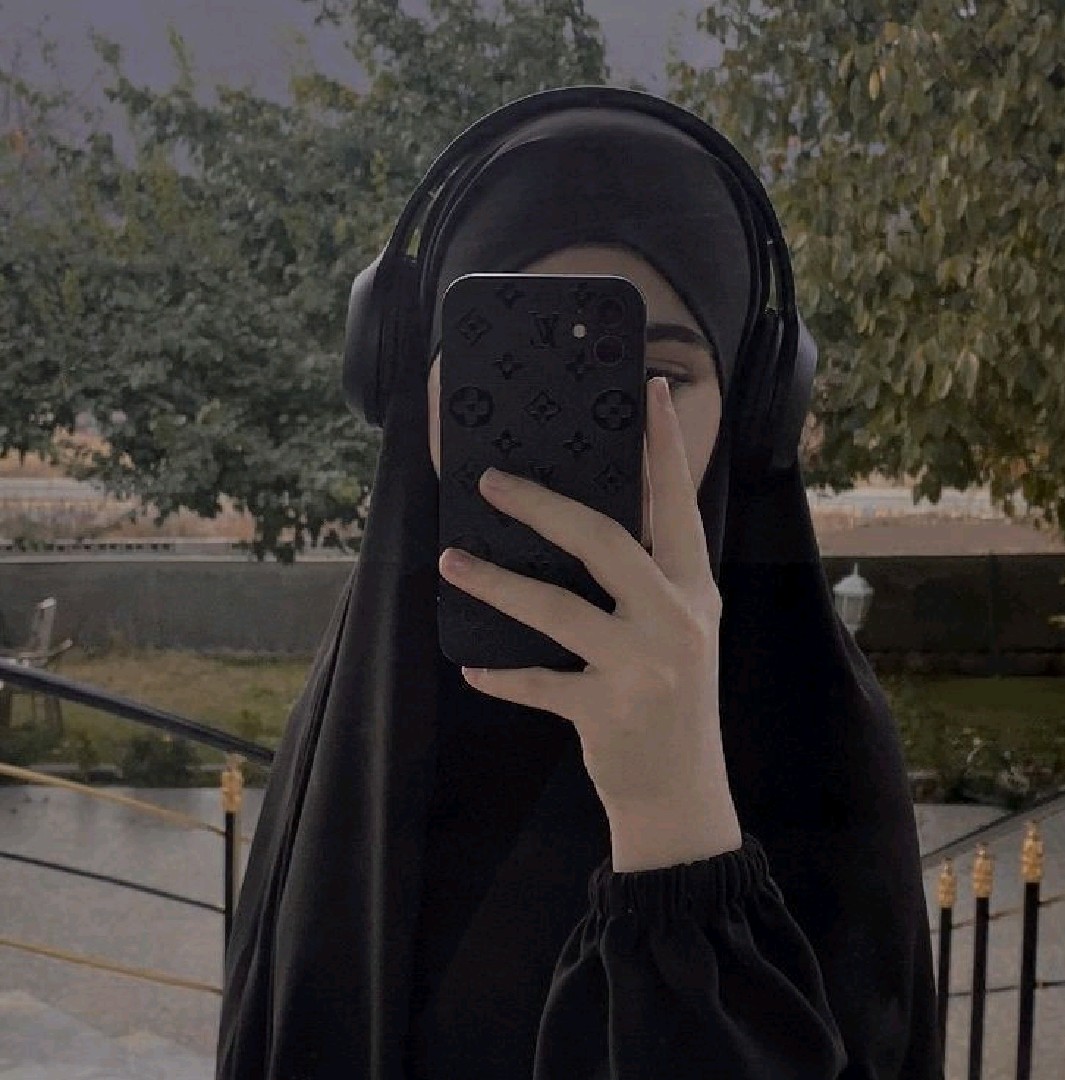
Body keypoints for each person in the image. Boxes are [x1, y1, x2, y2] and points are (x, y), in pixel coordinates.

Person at [216, 88, 943, 1079]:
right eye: (509, 362)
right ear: (411, 380)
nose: (593, 423)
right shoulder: (356, 725)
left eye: (662, 375)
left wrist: (678, 825)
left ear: (753, 408)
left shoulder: (825, 751)